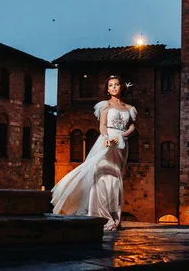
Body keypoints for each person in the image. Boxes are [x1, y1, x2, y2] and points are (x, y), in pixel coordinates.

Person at [51, 75, 137, 231]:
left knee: (115, 178)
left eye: (116, 84)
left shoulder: (129, 108)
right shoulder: (105, 106)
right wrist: (105, 138)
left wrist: (123, 136)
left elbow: (132, 127)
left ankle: (114, 216)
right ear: (107, 89)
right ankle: (100, 215)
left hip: (121, 144)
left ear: (121, 87)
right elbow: (103, 126)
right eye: (111, 85)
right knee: (100, 174)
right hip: (106, 141)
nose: (114, 87)